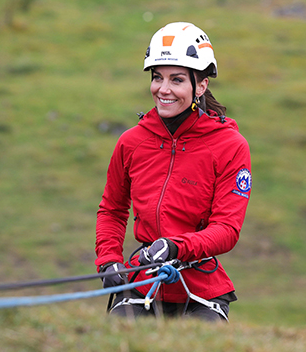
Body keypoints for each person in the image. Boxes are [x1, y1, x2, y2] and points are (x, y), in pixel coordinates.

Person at [94, 21, 251, 321]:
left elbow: (227, 230)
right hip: (140, 283)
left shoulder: (231, 146)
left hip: (201, 289)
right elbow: (112, 210)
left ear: (201, 85)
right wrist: (109, 261)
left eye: (176, 80)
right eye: (157, 78)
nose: (163, 90)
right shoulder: (131, 142)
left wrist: (175, 247)